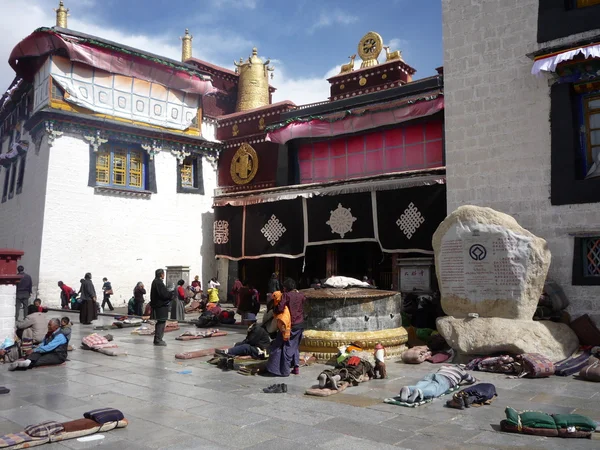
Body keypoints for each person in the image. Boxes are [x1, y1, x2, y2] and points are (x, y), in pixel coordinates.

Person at [266, 278, 306, 377]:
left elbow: (280, 308)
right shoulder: (301, 296)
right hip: (300, 324)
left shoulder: (286, 295)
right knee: (294, 346)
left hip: (289, 325)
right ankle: (296, 367)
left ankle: (283, 370)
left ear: (285, 287)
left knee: (284, 346)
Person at [397, 365, 476, 404]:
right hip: (446, 380)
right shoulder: (462, 372)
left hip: (433, 375)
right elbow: (472, 380)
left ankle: (408, 389)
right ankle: (420, 392)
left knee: (422, 383)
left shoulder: (444, 366)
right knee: (434, 389)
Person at [150, 268, 172, 346]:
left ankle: (158, 339)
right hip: (160, 306)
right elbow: (163, 295)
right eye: (163, 274)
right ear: (161, 274)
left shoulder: (155, 282)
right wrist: (170, 294)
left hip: (158, 305)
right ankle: (158, 339)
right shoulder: (158, 282)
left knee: (161, 322)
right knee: (161, 322)